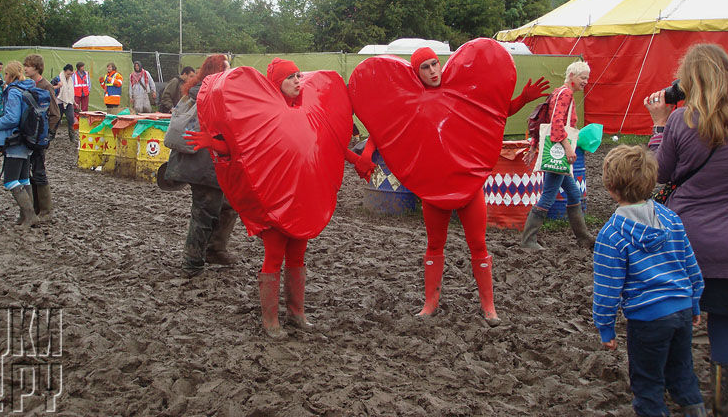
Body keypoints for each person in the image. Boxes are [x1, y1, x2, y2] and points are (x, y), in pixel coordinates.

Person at [353, 46, 548, 326]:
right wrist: (367, 152)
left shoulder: (460, 93)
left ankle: (489, 307)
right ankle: (430, 302)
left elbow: (494, 112)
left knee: (478, 244)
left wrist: (523, 99)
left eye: (435, 64)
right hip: (432, 187)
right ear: (415, 72)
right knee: (434, 245)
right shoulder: (410, 102)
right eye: (425, 67)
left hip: (467, 184)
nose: (433, 71)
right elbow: (384, 128)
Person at [185, 57, 375, 338]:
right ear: (276, 84)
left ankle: (296, 312)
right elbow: (239, 146)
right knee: (274, 255)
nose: (298, 81)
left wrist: (355, 159)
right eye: (290, 78)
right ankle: (270, 320)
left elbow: (328, 142)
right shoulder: (262, 114)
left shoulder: (312, 112)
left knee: (298, 254)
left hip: (303, 196)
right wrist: (213, 143)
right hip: (273, 197)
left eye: (299, 76)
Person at [644, 43, 728, 416]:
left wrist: (659, 123)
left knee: (677, 318)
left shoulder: (682, 122)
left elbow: (653, 175)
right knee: (726, 317)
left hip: (689, 241)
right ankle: (722, 388)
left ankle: (685, 390)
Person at [593, 144, 707, 417]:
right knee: (682, 372)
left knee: (647, 385)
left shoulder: (612, 235)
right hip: (680, 311)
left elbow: (607, 289)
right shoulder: (671, 219)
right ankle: (696, 411)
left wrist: (605, 328)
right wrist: (693, 303)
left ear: (610, 188)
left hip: (647, 320)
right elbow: (690, 266)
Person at [163, 56, 238, 274]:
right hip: (203, 162)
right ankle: (192, 261)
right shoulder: (209, 95)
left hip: (205, 160)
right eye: (227, 67)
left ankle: (215, 249)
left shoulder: (197, 92)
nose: (231, 70)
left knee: (227, 206)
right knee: (205, 211)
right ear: (217, 71)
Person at [520, 60, 594, 250]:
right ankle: (528, 241)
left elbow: (544, 120)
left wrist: (534, 146)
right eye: (582, 77)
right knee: (549, 195)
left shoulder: (558, 92)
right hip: (559, 152)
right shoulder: (566, 94)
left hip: (555, 149)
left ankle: (583, 237)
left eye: (587, 78)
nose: (586, 81)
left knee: (573, 192)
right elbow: (556, 124)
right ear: (571, 76)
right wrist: (568, 148)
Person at [0, 61, 38, 228]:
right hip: (28, 140)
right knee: (24, 178)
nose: (4, 77)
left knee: (10, 180)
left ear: (10, 75)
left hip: (15, 140)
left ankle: (30, 215)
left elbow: (12, 118)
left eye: (5, 74)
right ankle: (25, 216)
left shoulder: (13, 91)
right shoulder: (28, 87)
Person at [23, 54, 60, 223]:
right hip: (28, 136)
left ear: (37, 67)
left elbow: (55, 114)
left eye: (28, 65)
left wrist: (48, 135)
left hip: (40, 137)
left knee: (39, 171)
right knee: (29, 172)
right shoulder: (28, 85)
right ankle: (35, 207)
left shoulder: (46, 86)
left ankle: (46, 210)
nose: (25, 68)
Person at [51, 64, 76, 142]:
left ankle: (72, 137)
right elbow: (50, 88)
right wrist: (57, 86)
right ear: (64, 72)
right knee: (57, 119)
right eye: (68, 74)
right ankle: (51, 135)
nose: (69, 76)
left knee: (71, 119)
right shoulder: (57, 79)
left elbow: (71, 92)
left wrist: (74, 102)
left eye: (71, 74)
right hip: (59, 102)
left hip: (69, 102)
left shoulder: (71, 80)